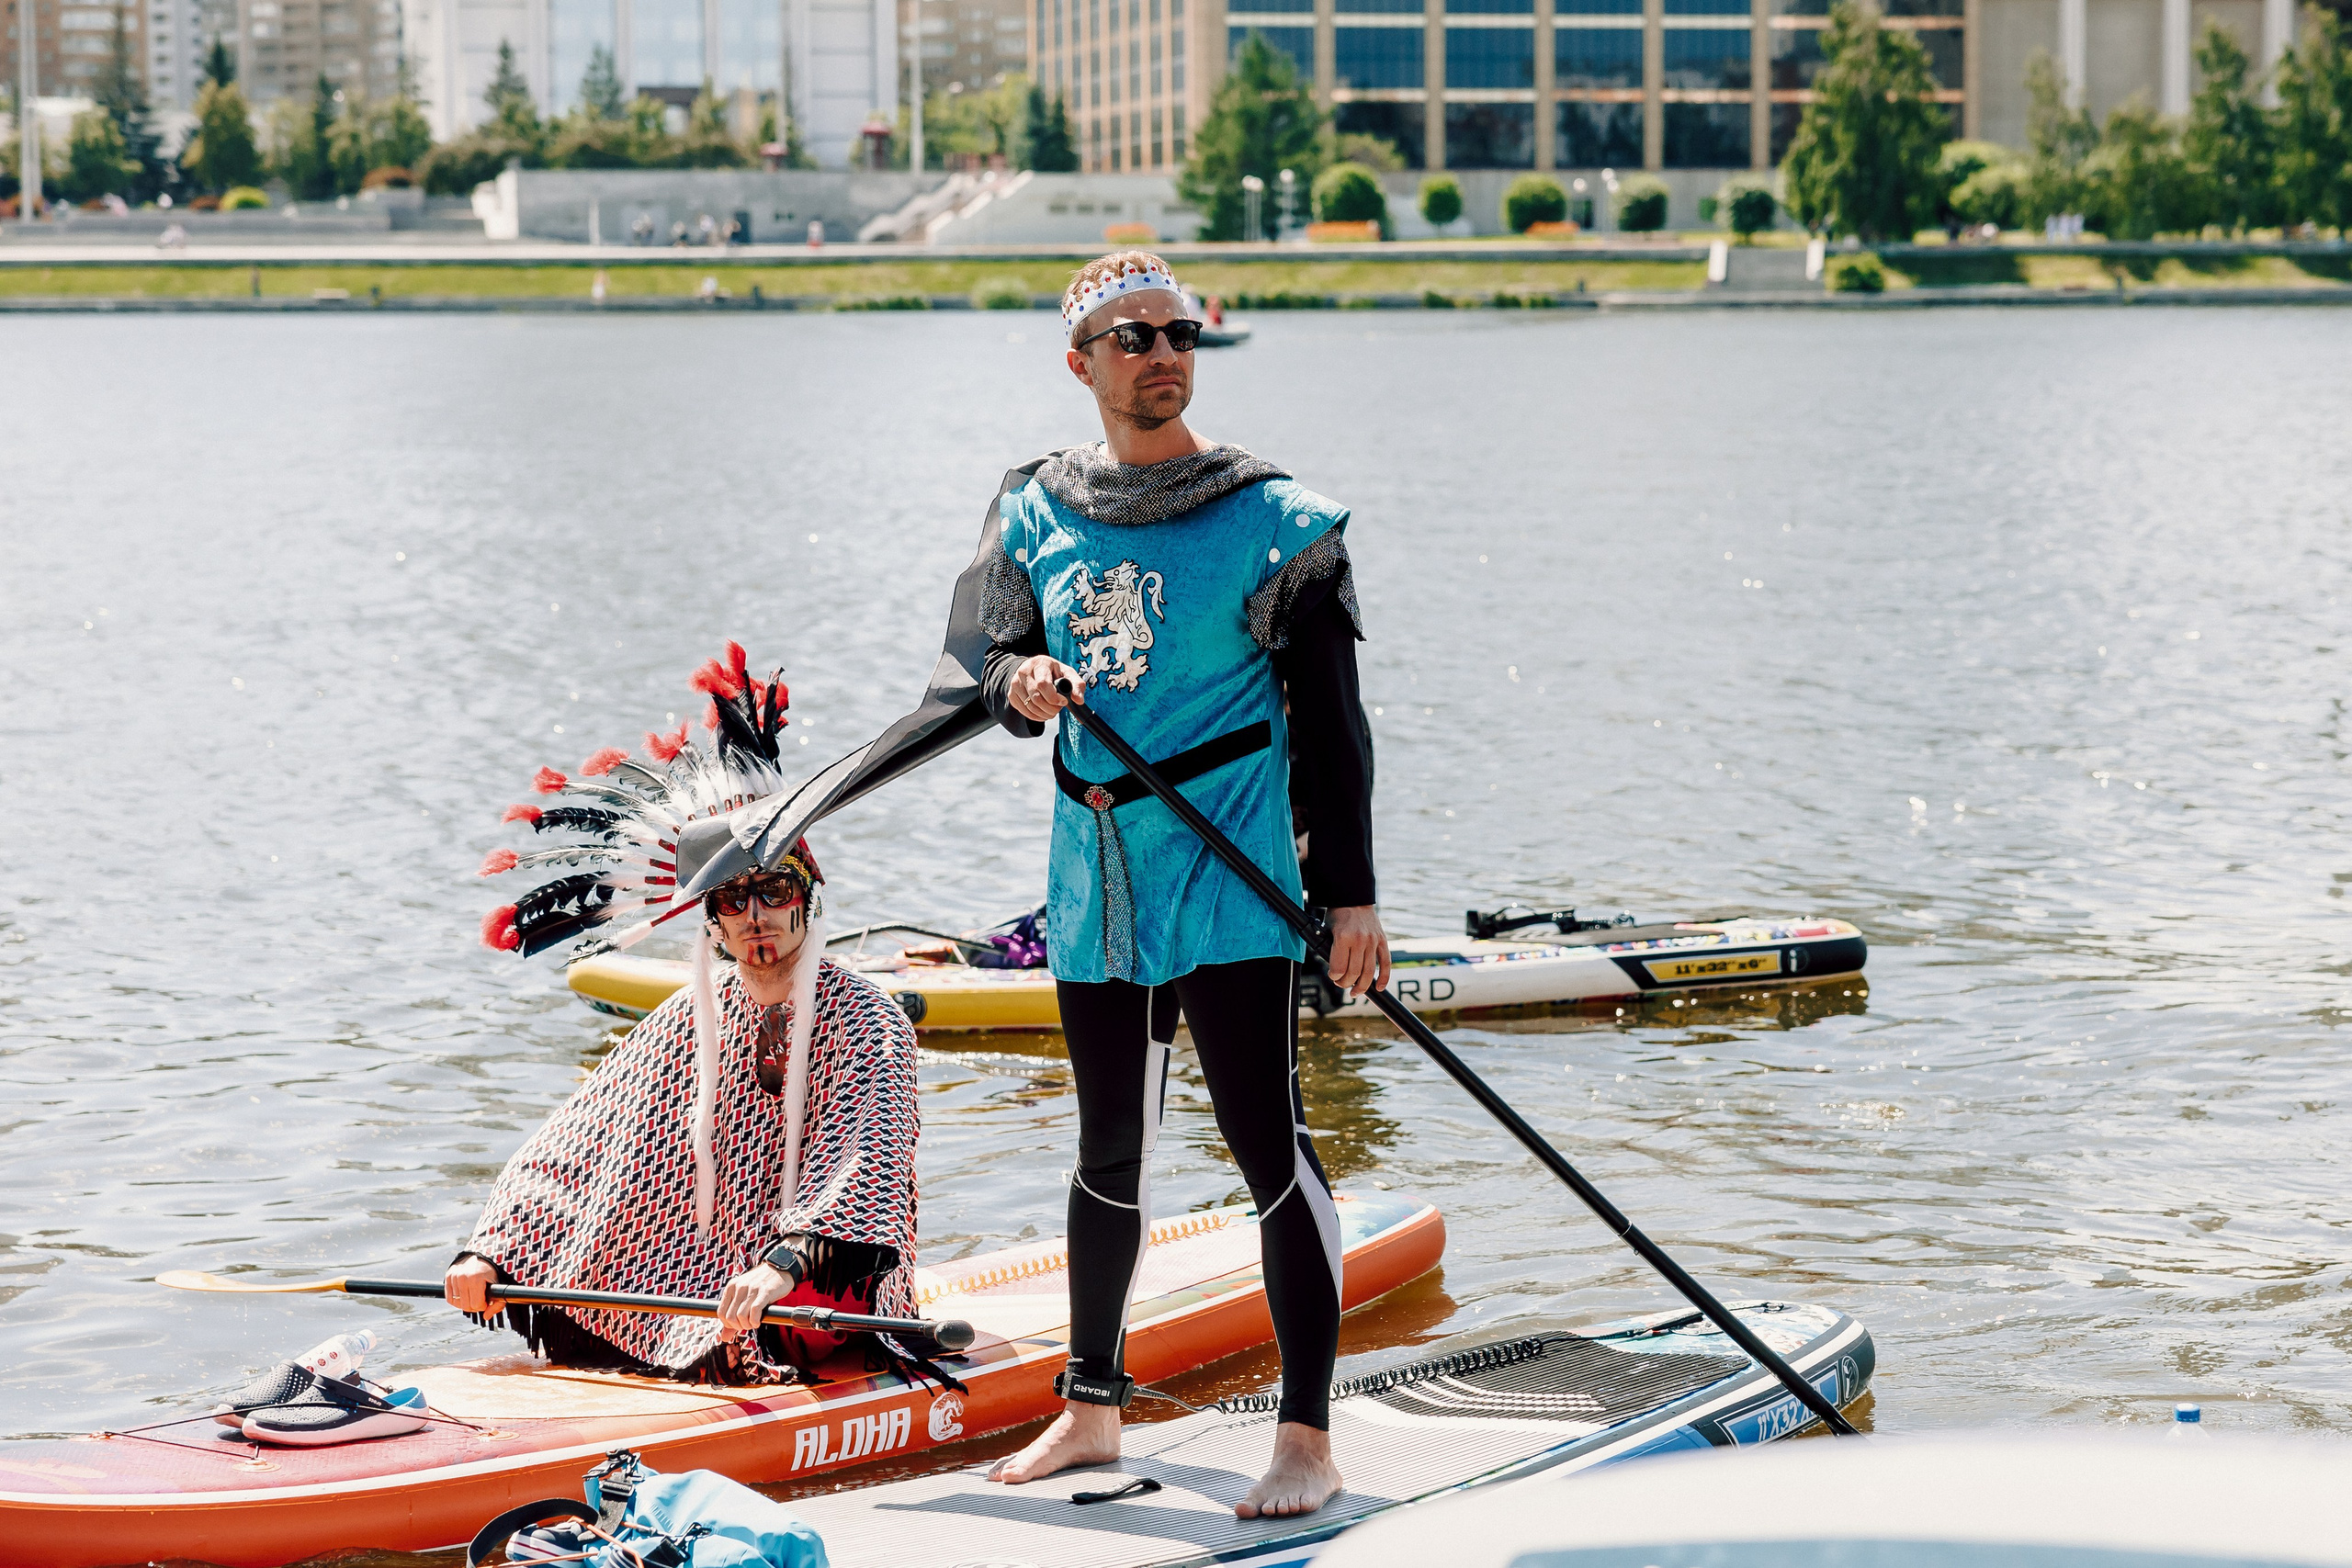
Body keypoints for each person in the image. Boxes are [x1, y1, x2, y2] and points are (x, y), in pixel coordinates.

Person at [976, 250, 1387, 1518]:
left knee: (1269, 1146)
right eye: (1132, 336)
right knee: (1109, 1146)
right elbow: (982, 661)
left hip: (1231, 860)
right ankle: (1090, 1406)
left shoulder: (1278, 518)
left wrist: (1354, 894)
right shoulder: (1031, 506)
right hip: (1098, 866)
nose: (1162, 354)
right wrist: (1018, 683)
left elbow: (1335, 723)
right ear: (1081, 363)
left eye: (1179, 333)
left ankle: (1307, 1438)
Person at [449, 644, 929, 1386]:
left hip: (815, 1293)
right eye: (733, 902)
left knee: (795, 1298)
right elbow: (578, 1147)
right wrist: (491, 1251)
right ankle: (672, 1341)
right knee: (611, 1197)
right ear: (713, 921)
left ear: (806, 894)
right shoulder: (686, 1017)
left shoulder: (866, 1018)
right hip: (711, 1277)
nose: (756, 917)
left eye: (773, 890)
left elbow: (864, 1167)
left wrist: (778, 1270)